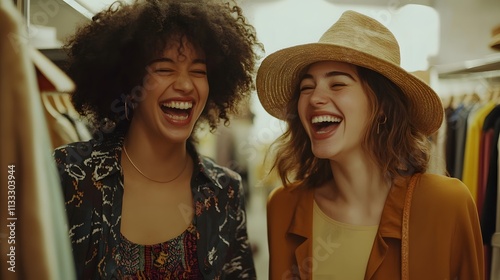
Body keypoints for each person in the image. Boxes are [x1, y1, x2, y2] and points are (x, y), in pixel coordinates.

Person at [257, 10, 484, 280]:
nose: (316, 97)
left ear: (382, 108)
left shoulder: (447, 204)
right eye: (307, 87)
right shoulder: (283, 206)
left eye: (338, 83)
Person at [53, 0, 262, 278]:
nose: (186, 85)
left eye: (199, 71)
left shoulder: (225, 191)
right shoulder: (69, 172)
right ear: (128, 82)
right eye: (164, 69)